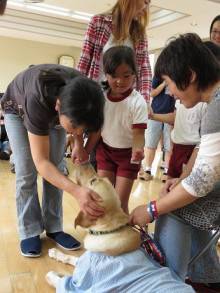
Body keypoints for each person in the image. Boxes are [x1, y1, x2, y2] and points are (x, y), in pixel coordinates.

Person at [129, 34, 220, 289]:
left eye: (169, 83)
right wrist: (182, 180)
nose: (170, 92)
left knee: (174, 208)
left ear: (190, 75)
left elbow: (201, 184)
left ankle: (170, 285)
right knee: (180, 195)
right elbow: (204, 150)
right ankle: (207, 277)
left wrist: (152, 209)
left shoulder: (216, 107)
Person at [1, 64, 105, 257]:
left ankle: (54, 227)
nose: (77, 133)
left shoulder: (90, 96)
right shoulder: (37, 97)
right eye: (74, 128)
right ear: (58, 107)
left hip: (57, 112)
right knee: (26, 171)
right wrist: (76, 190)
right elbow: (41, 162)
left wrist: (79, 144)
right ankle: (29, 231)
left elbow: (89, 126)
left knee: (58, 166)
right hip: (17, 110)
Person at [76, 0, 152, 168]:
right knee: (96, 151)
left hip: (124, 101)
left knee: (118, 145)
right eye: (145, 1)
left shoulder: (139, 32)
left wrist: (145, 101)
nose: (146, 6)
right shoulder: (98, 23)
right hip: (98, 98)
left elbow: (144, 69)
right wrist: (75, 96)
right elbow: (84, 62)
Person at [90, 46, 147, 213]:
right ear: (105, 75)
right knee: (104, 199)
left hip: (128, 156)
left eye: (126, 75)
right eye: (113, 76)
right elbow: (97, 130)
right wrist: (86, 150)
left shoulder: (138, 102)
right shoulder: (102, 98)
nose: (120, 81)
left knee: (119, 204)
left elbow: (138, 134)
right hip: (105, 152)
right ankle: (107, 235)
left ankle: (125, 235)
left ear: (134, 75)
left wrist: (138, 149)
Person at [138, 77, 175, 182]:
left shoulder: (176, 75)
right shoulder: (158, 76)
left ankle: (167, 171)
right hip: (155, 114)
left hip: (171, 115)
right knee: (150, 144)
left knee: (169, 145)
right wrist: (164, 84)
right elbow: (151, 93)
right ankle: (148, 170)